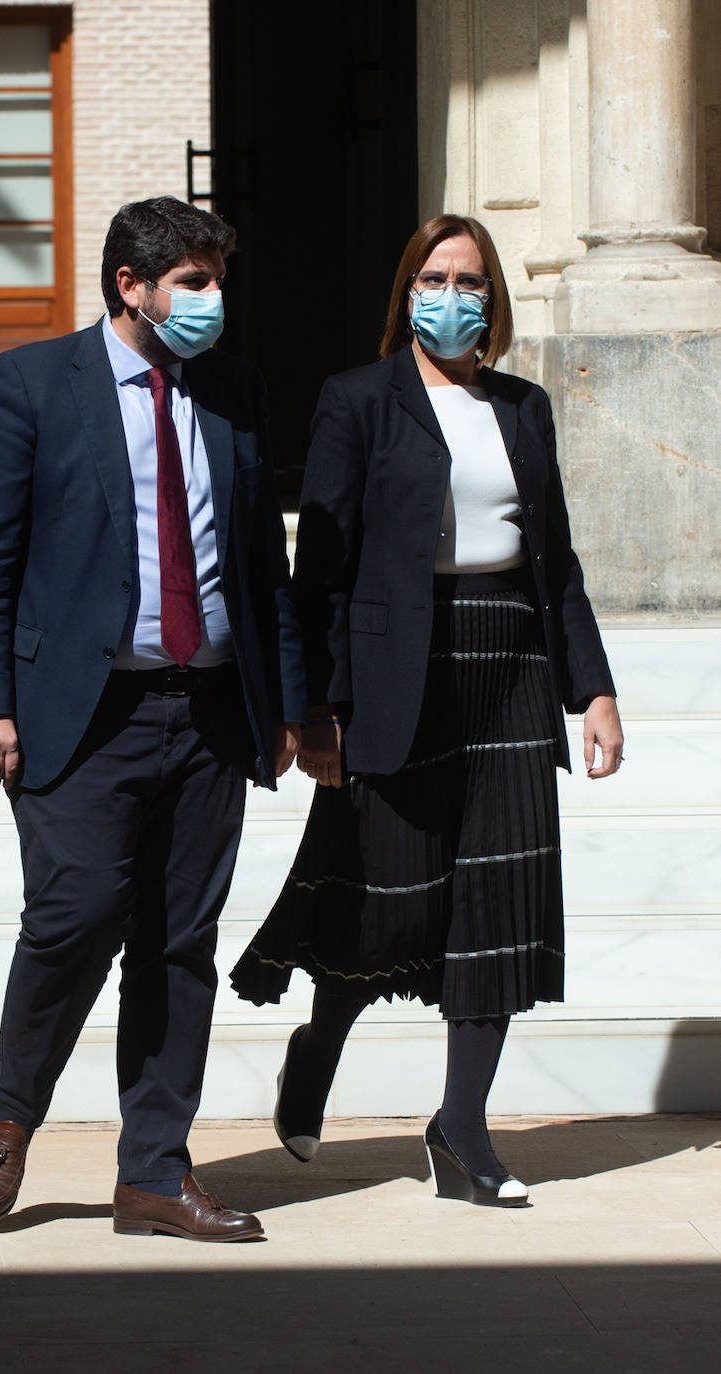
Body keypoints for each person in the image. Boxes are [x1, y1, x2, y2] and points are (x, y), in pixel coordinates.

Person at [230, 213, 623, 1207]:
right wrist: (313, 706)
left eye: (472, 279)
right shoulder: (358, 402)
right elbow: (318, 566)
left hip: (513, 668)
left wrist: (595, 690)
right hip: (397, 670)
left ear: (493, 299)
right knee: (386, 899)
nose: (454, 294)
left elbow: (557, 562)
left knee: (499, 907)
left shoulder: (525, 409)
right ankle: (321, 1042)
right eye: (437, 276)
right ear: (407, 289)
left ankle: (461, 1131)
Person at [0, 195, 305, 1241]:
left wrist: (279, 704)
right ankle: (16, 1108)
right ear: (130, 287)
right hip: (80, 714)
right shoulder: (31, 384)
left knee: (180, 944)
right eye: (192, 283)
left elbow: (260, 566)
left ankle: (154, 1172)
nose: (212, 302)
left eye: (218, 281)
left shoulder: (235, 391)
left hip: (208, 708)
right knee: (75, 916)